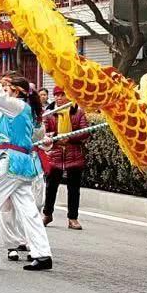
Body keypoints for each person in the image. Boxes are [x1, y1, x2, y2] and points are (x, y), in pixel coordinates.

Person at [0, 57, 53, 271]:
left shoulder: (16, 106)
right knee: (29, 210)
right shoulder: (22, 110)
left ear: (16, 91)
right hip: (22, 164)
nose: (2, 91)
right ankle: (42, 254)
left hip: (9, 164)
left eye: (6, 87)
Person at [42, 86, 89, 230]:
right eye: (56, 95)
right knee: (51, 187)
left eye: (62, 95)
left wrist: (70, 137)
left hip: (74, 153)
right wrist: (54, 137)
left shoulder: (78, 112)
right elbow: (43, 132)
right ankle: (47, 214)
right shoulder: (49, 114)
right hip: (54, 154)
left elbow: (85, 132)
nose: (59, 98)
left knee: (74, 189)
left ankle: (73, 218)